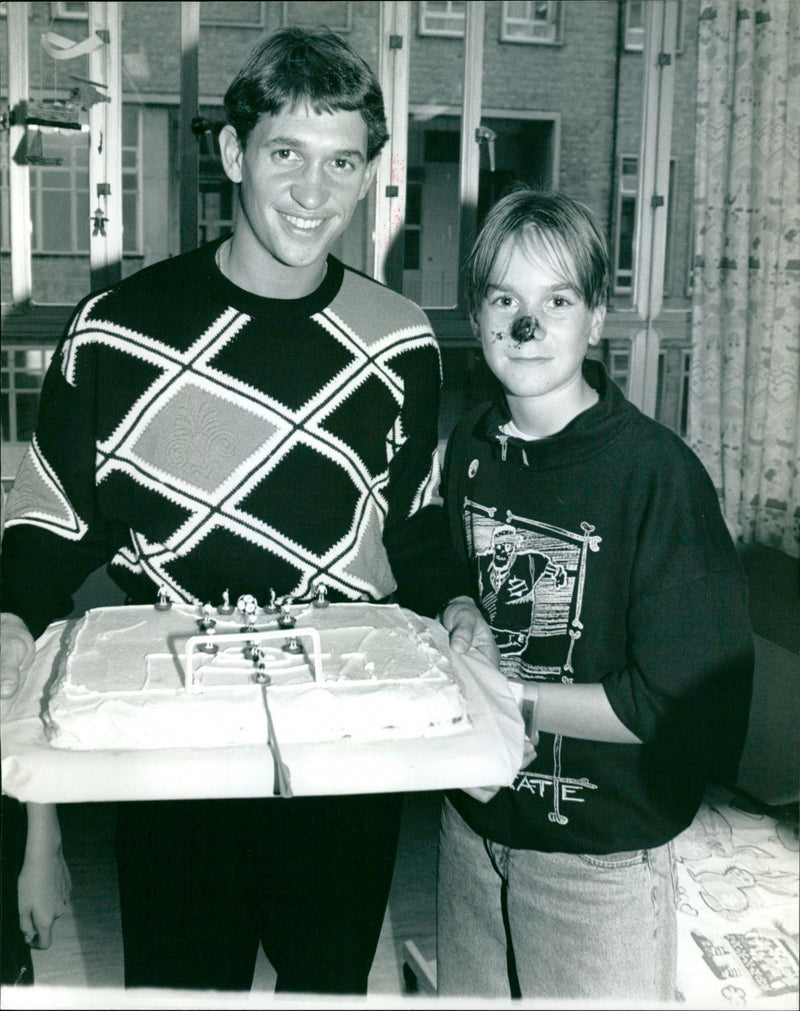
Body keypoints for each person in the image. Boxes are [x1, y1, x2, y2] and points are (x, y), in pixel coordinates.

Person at [0, 27, 481, 995]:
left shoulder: (400, 342)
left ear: (367, 173)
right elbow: (48, 526)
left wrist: (459, 603)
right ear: (232, 155)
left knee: (326, 987)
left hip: (346, 750)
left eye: (341, 161)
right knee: (183, 990)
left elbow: (419, 525)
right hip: (176, 751)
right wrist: (12, 615)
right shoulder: (116, 334)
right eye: (285, 155)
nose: (313, 192)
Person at [436, 188, 754, 1001]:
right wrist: (464, 608)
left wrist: (506, 697)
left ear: (596, 319)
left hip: (599, 857)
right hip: (473, 830)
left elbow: (681, 704)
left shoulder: (657, 476)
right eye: (505, 298)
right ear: (476, 317)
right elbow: (460, 573)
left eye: (557, 299)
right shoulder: (469, 447)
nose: (526, 325)